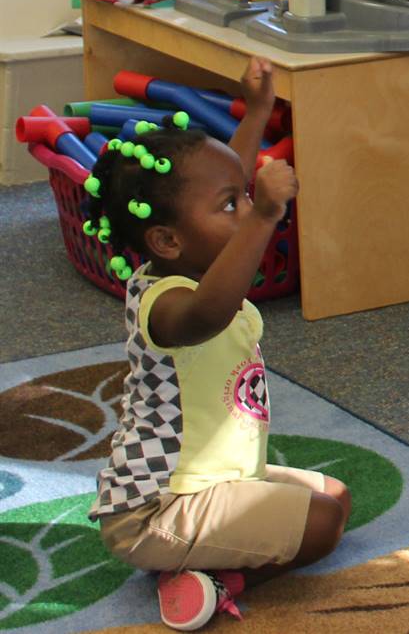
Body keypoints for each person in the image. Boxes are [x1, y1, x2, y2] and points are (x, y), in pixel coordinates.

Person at [86, 57, 349, 631]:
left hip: (214, 484)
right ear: (166, 241)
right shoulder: (169, 305)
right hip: (156, 510)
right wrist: (266, 217)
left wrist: (256, 112)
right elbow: (214, 311)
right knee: (322, 526)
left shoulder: (187, 252)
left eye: (246, 198)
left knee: (336, 497)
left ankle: (202, 556)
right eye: (233, 207)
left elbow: (218, 178)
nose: (245, 207)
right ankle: (208, 577)